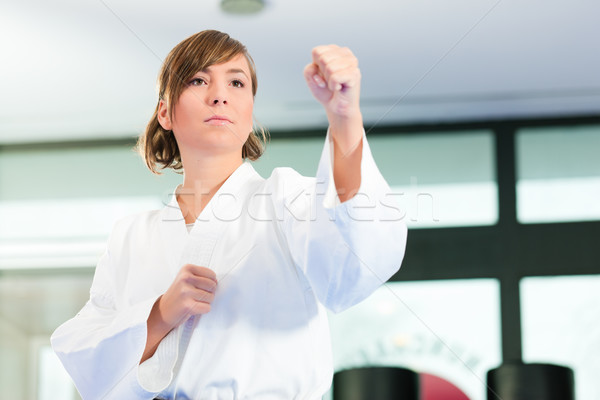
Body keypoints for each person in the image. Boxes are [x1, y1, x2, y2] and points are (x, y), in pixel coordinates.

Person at [51, 29, 407, 399]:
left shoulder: (285, 198)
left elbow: (351, 267)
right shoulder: (130, 236)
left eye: (237, 82)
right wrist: (160, 313)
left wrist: (344, 115)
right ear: (165, 113)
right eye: (197, 80)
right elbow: (85, 358)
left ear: (250, 113)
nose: (219, 95)